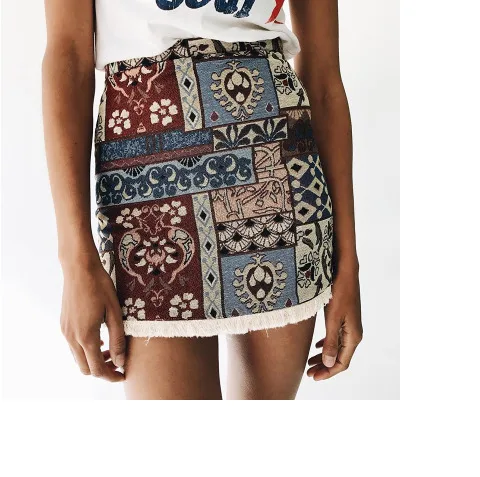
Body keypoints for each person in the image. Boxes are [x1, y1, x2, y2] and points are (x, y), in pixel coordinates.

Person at [42, 0, 362, 400]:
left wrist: (348, 264)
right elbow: (68, 56)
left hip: (275, 165)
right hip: (144, 182)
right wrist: (74, 260)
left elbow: (324, 80)